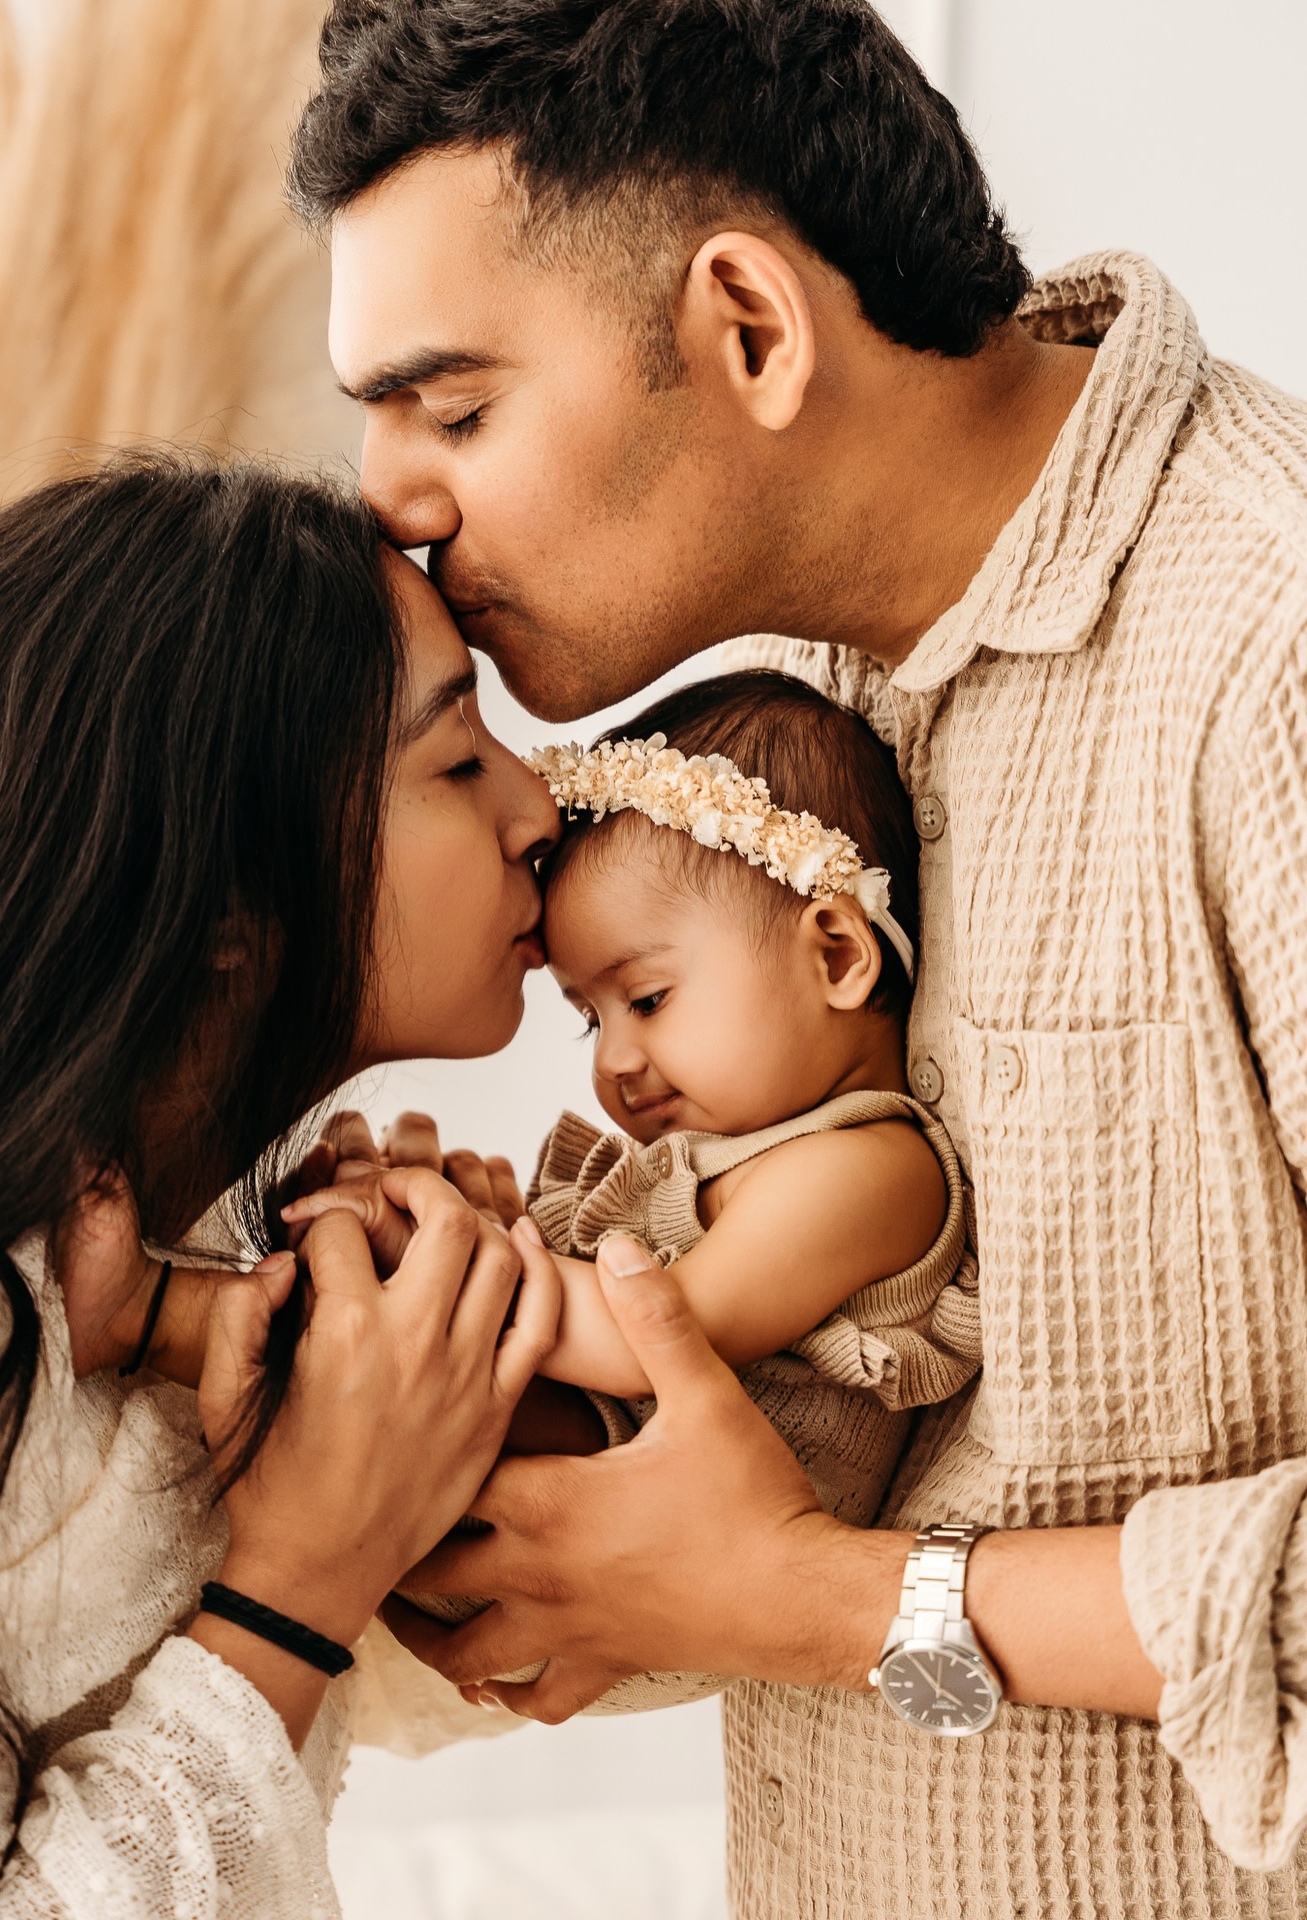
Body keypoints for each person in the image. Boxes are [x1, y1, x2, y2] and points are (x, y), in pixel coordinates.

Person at [287, 0, 1307, 1913]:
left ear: (750, 326)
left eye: (455, 406)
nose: (390, 503)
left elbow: (805, 1582)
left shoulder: (1275, 666)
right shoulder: (795, 712)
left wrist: (825, 1603)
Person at [0, 451, 566, 1915]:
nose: (537, 804)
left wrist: (420, 1393)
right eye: (455, 760)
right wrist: (295, 1586)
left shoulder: (151, 1271)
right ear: (232, 903)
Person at [297, 669, 981, 1713]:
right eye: (590, 1016)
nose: (615, 1060)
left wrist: (465, 1256)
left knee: (392, 1355)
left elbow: (650, 1341)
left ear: (836, 955)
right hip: (605, 1472)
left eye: (648, 997)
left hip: (677, 1527)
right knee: (380, 1347)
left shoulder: (869, 1167)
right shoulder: (729, 1151)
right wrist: (474, 1229)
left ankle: (211, 1322)